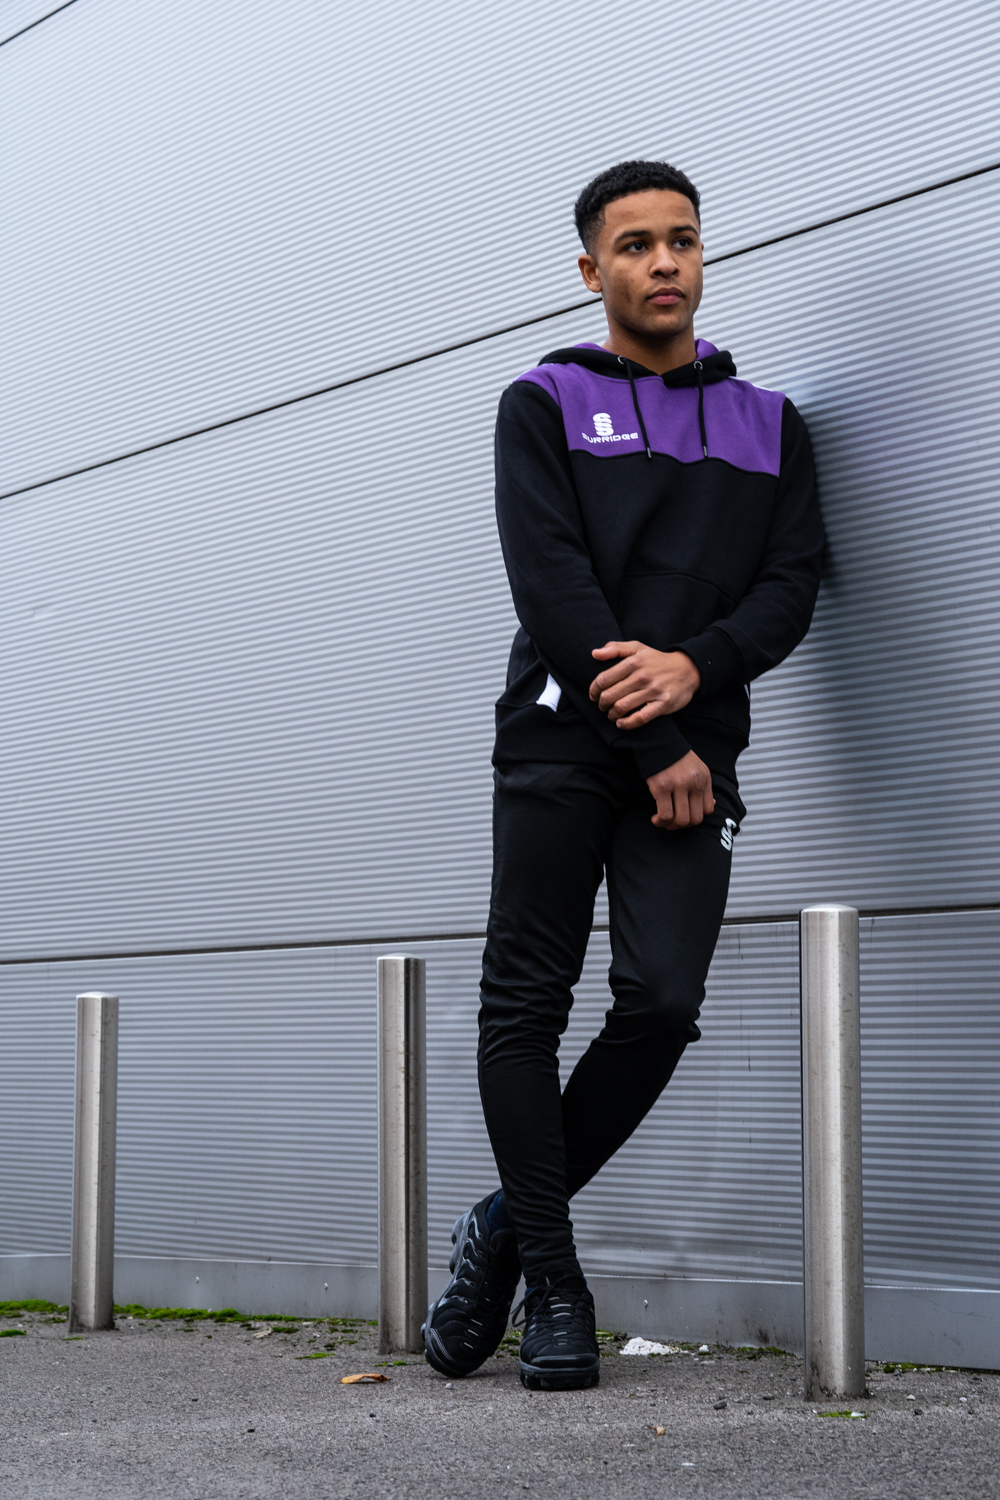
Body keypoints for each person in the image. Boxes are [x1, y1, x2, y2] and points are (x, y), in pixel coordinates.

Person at [423, 160, 824, 1390]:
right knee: (524, 1009)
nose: (664, 263)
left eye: (682, 240)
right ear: (591, 268)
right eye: (636, 244)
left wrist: (695, 673)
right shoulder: (542, 402)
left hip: (695, 757)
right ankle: (554, 1282)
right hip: (561, 746)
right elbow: (552, 587)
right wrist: (657, 741)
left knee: (661, 1002)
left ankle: (501, 1227)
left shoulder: (770, 424)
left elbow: (789, 586)